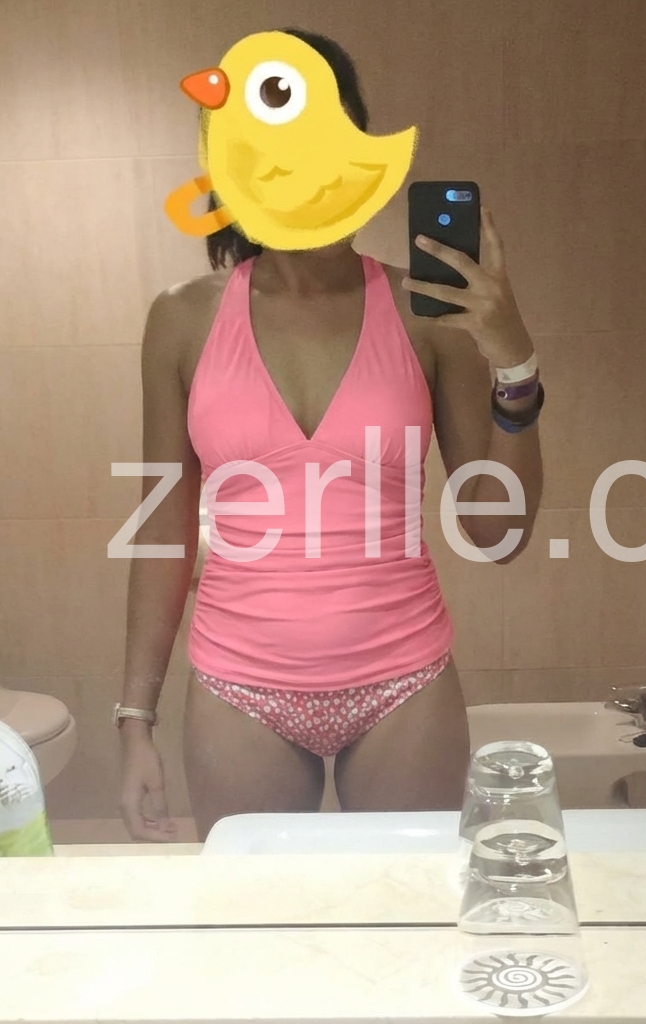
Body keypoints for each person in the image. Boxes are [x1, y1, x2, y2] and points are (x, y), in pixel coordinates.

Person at [116, 28, 543, 842]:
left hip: (404, 684)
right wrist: (134, 718)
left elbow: (498, 531)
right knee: (257, 911)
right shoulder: (181, 320)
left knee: (409, 906)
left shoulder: (427, 317)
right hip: (238, 689)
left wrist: (515, 362)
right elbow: (162, 531)